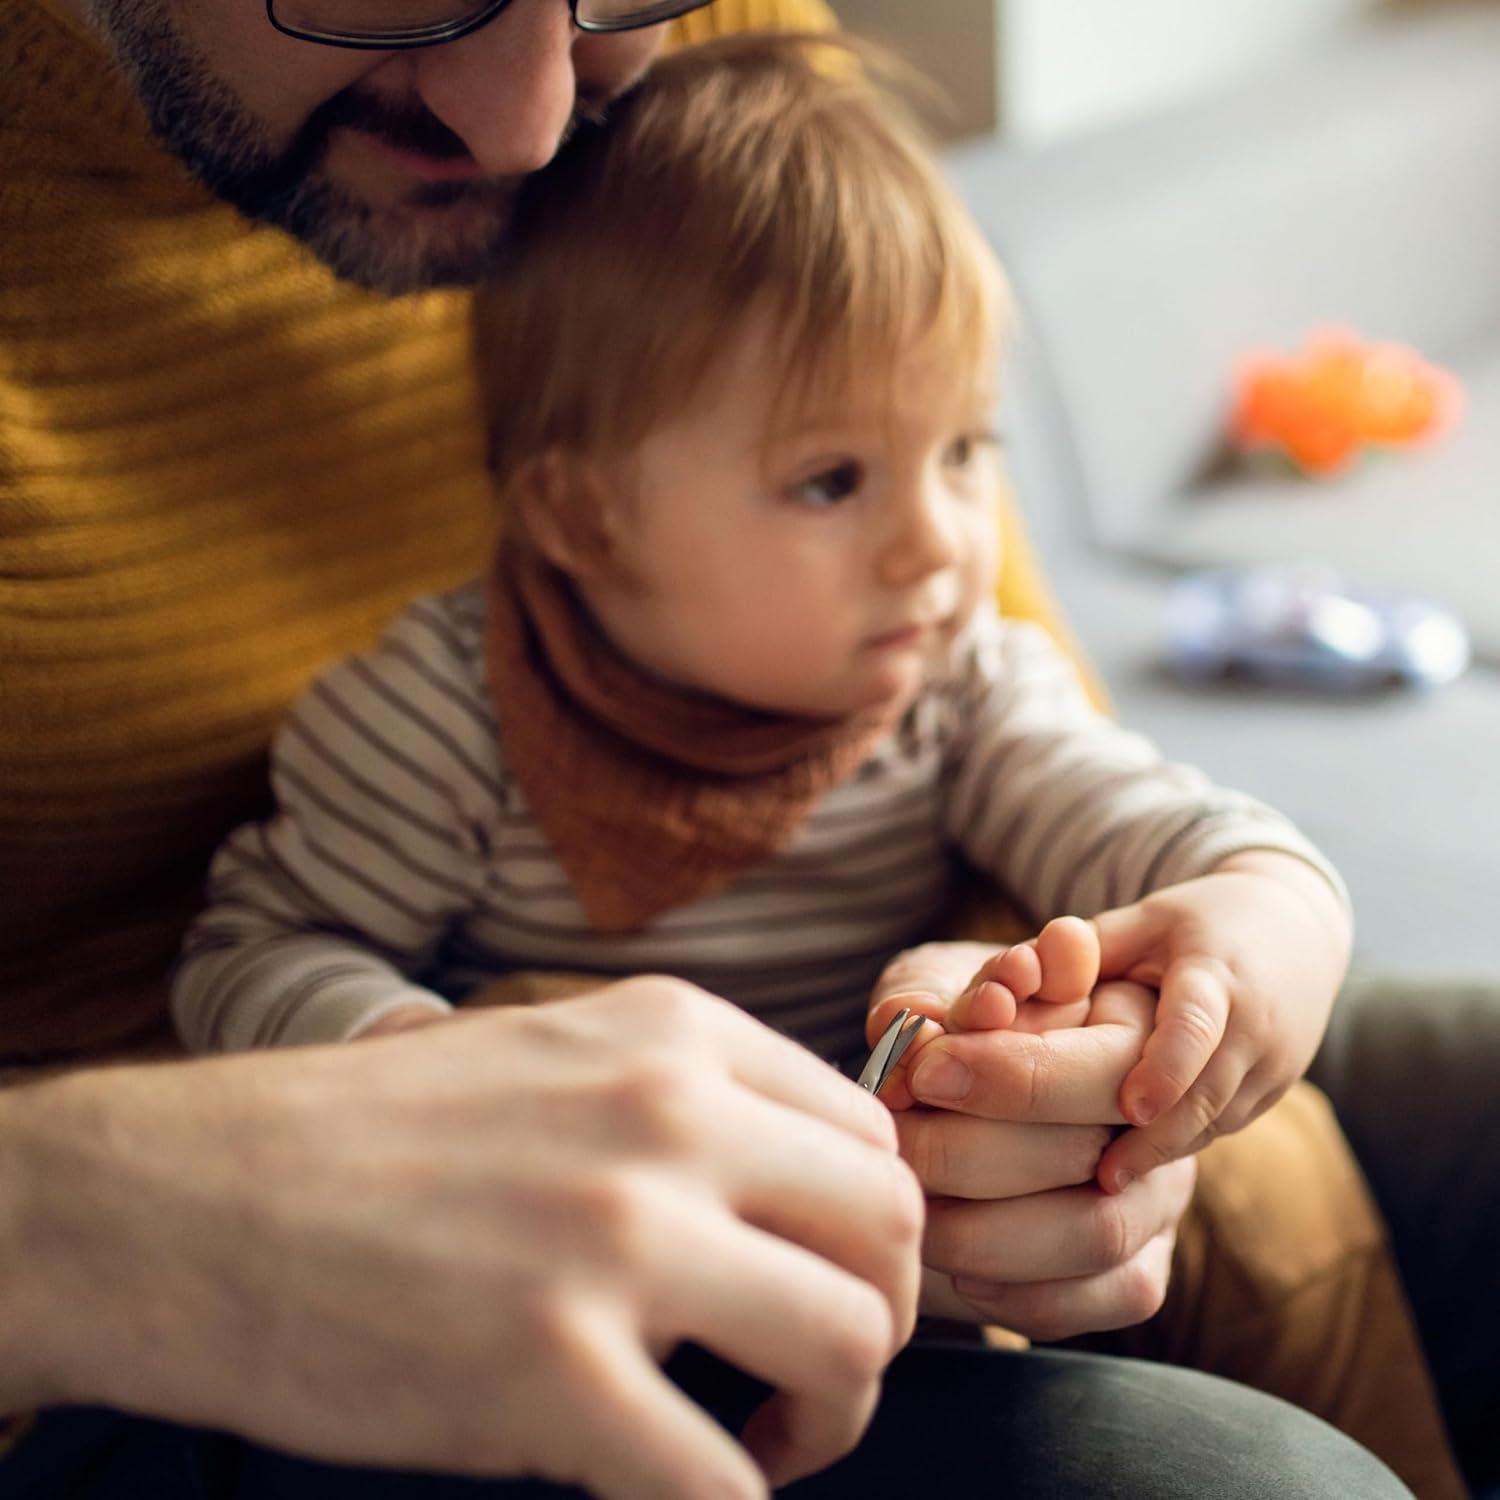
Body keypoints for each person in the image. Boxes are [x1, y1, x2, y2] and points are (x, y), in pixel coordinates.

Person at [0, 0, 1482, 1495]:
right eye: (833, 480)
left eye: (970, 450)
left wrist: (1257, 929)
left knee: (1305, 1165)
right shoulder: (439, 724)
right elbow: (262, 956)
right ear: (579, 516)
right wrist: (438, 1080)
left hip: (962, 1178)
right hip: (596, 1274)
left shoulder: (946, 671)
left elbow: (1161, 827)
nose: (939, 547)